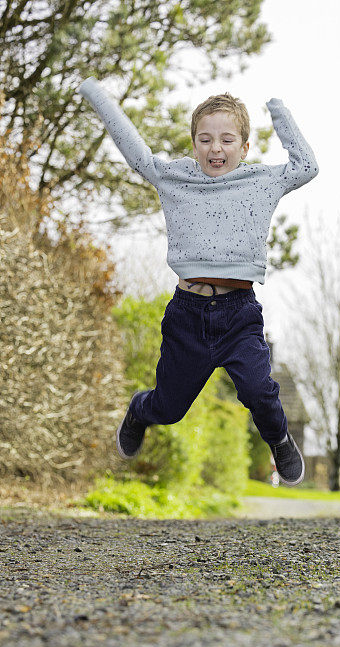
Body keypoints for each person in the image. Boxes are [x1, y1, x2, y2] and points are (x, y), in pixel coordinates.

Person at [78, 77, 319, 486]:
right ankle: (140, 410)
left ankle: (279, 439)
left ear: (244, 148)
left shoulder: (261, 180)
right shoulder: (174, 177)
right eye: (205, 140)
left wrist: (278, 111)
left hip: (239, 312)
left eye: (227, 140)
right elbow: (134, 151)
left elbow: (307, 167)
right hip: (187, 314)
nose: (215, 149)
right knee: (169, 408)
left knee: (259, 389)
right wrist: (96, 94)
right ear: (193, 144)